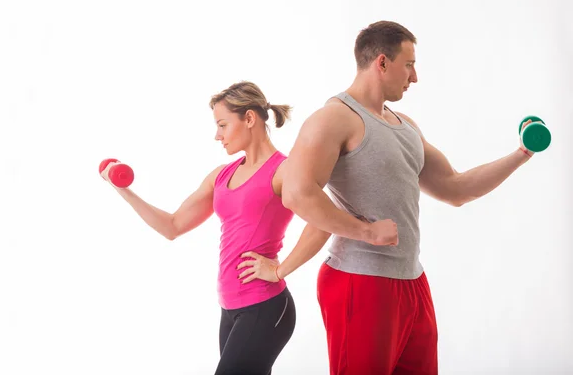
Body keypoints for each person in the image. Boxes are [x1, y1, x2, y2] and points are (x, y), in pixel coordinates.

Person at [240, 21, 538, 375]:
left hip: (412, 281)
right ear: (382, 63)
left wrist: (521, 153)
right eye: (409, 64)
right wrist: (365, 232)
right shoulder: (333, 119)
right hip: (360, 282)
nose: (415, 77)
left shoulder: (405, 126)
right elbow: (297, 194)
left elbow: (457, 189)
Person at [100, 81, 361, 374]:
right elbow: (172, 226)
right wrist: (122, 190)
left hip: (266, 307)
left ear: (249, 119)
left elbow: (324, 221)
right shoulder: (222, 175)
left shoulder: (283, 171)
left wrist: (279, 270)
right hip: (230, 309)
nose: (217, 135)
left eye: (223, 125)